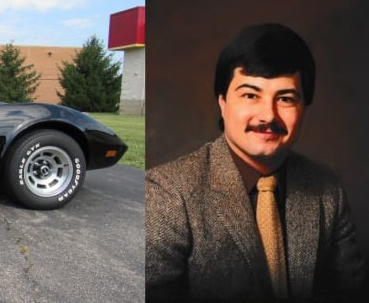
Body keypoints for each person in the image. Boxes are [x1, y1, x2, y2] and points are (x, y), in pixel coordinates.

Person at [145, 23, 365, 300]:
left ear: (304, 107)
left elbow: (350, 292)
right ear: (223, 102)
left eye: (285, 98)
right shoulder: (167, 194)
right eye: (250, 95)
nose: (267, 115)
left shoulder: (327, 187)